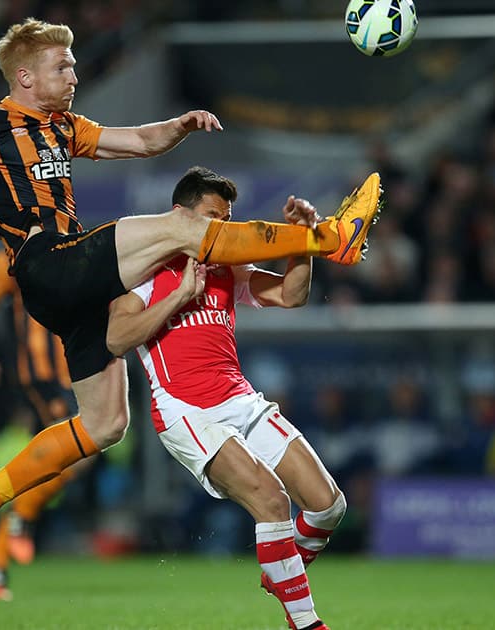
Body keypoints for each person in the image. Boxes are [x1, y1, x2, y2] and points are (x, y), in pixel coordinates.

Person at [0, 16, 382, 579]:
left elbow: (140, 141)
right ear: (23, 75)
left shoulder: (63, 127)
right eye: (60, 66)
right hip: (48, 264)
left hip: (68, 291)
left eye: (71, 64)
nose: (73, 73)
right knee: (181, 228)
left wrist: (181, 124)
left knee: (105, 424)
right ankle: (328, 237)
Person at [106, 167, 342, 630]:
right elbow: (116, 338)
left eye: (226, 218)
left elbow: (292, 296)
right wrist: (179, 298)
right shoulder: (142, 270)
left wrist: (303, 241)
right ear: (180, 215)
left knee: (329, 506)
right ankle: (306, 623)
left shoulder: (225, 268)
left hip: (240, 400)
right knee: (272, 502)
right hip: (185, 410)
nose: (221, 228)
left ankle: (281, 570)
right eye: (213, 217)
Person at [0, 249, 90, 600]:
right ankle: (15, 522)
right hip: (45, 372)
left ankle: (0, 548)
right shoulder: (11, 257)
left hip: (74, 370)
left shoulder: (73, 245)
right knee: (84, 446)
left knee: (74, 456)